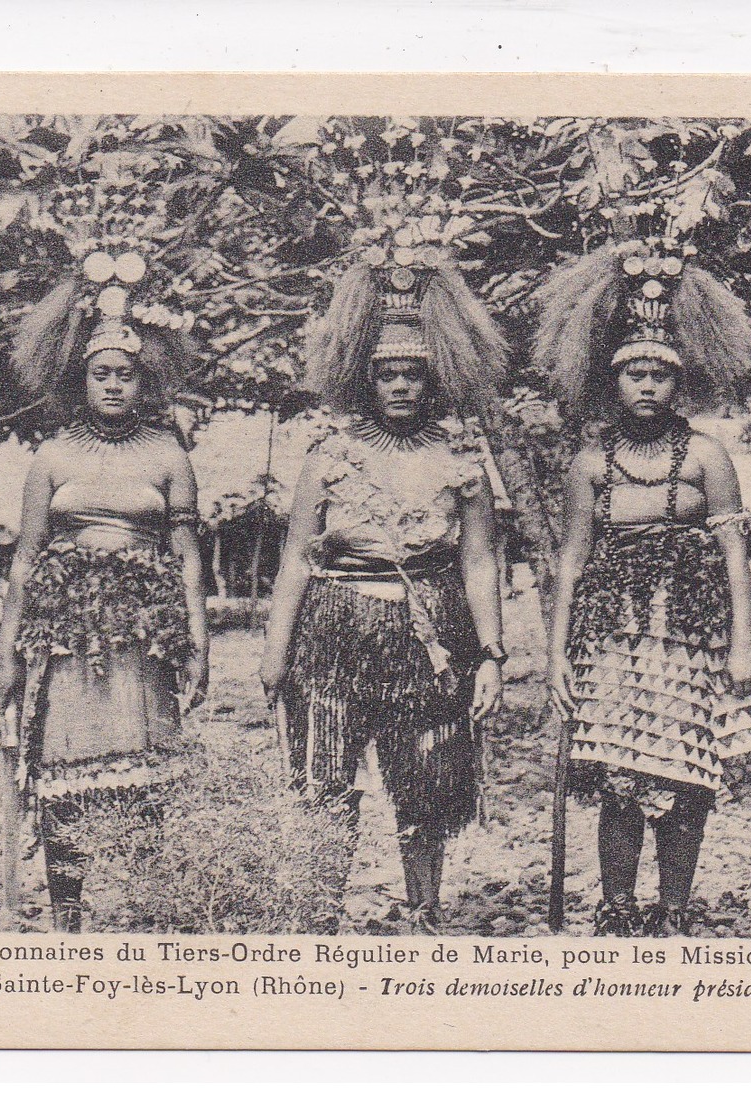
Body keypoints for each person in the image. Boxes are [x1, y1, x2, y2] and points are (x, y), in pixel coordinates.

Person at [260, 258, 507, 932]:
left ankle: (424, 912)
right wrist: (275, 653)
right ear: (365, 379)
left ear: (432, 380)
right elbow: (295, 559)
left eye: (413, 374)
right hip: (333, 630)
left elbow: (479, 559)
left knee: (426, 787)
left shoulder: (460, 455)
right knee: (324, 782)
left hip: (431, 635)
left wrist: (490, 653)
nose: (400, 386)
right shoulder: (327, 453)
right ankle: (315, 916)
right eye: (387, 374)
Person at [536, 232, 751, 938]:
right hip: (611, 638)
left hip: (690, 635)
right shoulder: (589, 463)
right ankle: (615, 906)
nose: (645, 385)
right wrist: (555, 656)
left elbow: (733, 553)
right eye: (632, 373)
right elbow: (571, 561)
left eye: (658, 375)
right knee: (618, 774)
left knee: (688, 771)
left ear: (678, 383)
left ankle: (671, 906)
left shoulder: (704, 455)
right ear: (612, 381)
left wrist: (741, 647)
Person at [0, 252, 209, 932]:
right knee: (63, 773)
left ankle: (147, 909)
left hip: (145, 633)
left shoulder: (169, 455)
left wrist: (199, 644)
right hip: (65, 632)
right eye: (101, 374)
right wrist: (6, 652)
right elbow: (25, 559)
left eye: (125, 374)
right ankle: (68, 916)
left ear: (145, 382)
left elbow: (188, 560)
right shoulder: (52, 457)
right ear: (80, 379)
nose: (113, 385)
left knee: (146, 778)